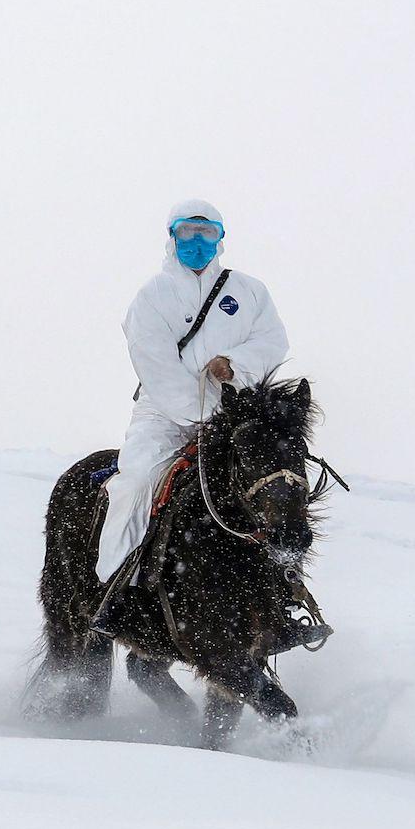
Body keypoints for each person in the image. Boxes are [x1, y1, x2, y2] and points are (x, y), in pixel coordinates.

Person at [95, 199, 290, 577]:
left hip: (235, 410)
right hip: (162, 414)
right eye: (187, 232)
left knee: (279, 480)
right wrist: (204, 415)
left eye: (206, 232)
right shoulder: (153, 296)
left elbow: (273, 342)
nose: (196, 241)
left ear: (221, 238)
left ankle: (287, 580)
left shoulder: (250, 291)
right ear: (172, 237)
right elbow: (154, 362)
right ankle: (115, 582)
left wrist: (234, 365)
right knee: (134, 484)